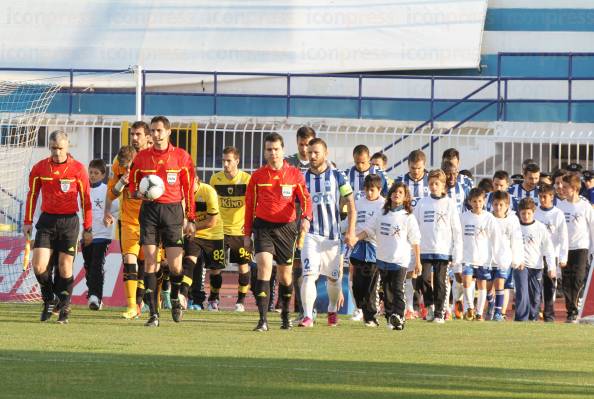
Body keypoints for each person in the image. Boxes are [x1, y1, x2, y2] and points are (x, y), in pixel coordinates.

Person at [128, 116, 196, 327]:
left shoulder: (182, 157)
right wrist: (140, 193)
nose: (156, 135)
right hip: (149, 211)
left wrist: (190, 218)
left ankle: (175, 297)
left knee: (176, 266)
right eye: (153, 131)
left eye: (159, 131)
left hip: (173, 211)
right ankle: (153, 314)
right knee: (150, 261)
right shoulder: (141, 158)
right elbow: (132, 186)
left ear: (168, 132)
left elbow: (189, 190)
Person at [244, 132, 312, 332]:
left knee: (285, 276)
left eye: (276, 149)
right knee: (264, 267)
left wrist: (306, 218)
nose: (273, 153)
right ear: (265, 152)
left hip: (287, 228)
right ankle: (263, 319)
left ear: (283, 150)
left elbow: (306, 199)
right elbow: (249, 206)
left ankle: (285, 314)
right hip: (263, 226)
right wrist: (247, 234)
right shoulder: (257, 176)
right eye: (269, 149)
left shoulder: (294, 174)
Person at [24, 130, 92, 323]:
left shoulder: (78, 169)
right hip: (46, 221)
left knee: (64, 267)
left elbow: (86, 200)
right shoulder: (40, 168)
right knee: (38, 266)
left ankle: (66, 305)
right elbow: (32, 195)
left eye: (60, 148)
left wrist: (88, 228)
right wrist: (27, 221)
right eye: (53, 148)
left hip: (69, 222)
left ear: (67, 147)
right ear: (49, 147)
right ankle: (49, 299)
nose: (57, 152)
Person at [299, 138, 356, 327]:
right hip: (310, 235)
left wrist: (350, 231)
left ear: (326, 153)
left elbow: (351, 204)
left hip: (332, 237)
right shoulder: (301, 178)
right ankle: (308, 316)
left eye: (316, 152)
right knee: (309, 275)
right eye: (310, 153)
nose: (312, 156)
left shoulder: (338, 176)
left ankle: (332, 310)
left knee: (333, 279)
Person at [105, 121, 151, 319]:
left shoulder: (154, 160)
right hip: (129, 220)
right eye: (132, 134)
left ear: (147, 137)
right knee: (130, 261)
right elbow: (112, 193)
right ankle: (132, 306)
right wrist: (122, 182)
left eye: (138, 134)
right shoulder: (120, 163)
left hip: (152, 220)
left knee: (148, 264)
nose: (134, 138)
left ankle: (149, 300)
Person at [359, 182, 421, 330]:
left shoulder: (408, 217)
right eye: (394, 191)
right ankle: (390, 318)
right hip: (382, 259)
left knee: (398, 289)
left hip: (400, 260)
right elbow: (368, 230)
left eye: (400, 192)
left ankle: (399, 317)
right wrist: (355, 238)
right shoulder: (381, 213)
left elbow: (415, 240)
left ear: (405, 197)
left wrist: (418, 261)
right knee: (386, 291)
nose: (396, 194)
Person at [414, 169, 462, 323]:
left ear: (443, 185)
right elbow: (414, 226)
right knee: (424, 278)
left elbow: (456, 230)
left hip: (443, 250)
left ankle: (440, 312)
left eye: (437, 184)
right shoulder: (422, 203)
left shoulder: (450, 204)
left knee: (441, 282)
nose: (433, 187)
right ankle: (429, 307)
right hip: (425, 249)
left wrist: (457, 253)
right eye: (431, 184)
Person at [210, 146, 252, 312]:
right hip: (220, 230)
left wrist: (248, 226)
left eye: (229, 161)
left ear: (237, 161)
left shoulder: (246, 180)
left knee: (243, 267)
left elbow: (252, 205)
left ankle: (240, 302)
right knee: (215, 267)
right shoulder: (215, 179)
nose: (226, 164)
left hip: (239, 231)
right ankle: (214, 299)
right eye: (223, 161)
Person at [459, 188, 506, 321]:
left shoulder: (489, 217)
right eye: (474, 201)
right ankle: (469, 308)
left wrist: (498, 256)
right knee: (466, 282)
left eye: (480, 201)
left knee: (482, 285)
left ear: (484, 201)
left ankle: (479, 313)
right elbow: (458, 237)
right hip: (467, 256)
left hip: (483, 258)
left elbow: (496, 238)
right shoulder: (464, 217)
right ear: (469, 202)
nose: (478, 204)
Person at [180, 178, 225, 312]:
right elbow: (182, 215)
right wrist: (186, 228)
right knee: (190, 262)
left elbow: (212, 222)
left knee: (215, 270)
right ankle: (185, 296)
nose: (186, 186)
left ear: (196, 180)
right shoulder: (182, 193)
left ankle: (214, 298)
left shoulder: (208, 191)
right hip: (195, 233)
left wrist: (192, 227)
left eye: (189, 183)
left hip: (213, 233)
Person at [285, 126, 316, 319]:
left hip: (314, 222)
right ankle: (299, 309)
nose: (305, 149)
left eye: (308, 145)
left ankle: (313, 308)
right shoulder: (288, 163)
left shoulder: (323, 164)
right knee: (295, 266)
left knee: (312, 267)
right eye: (301, 144)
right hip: (290, 220)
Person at [396, 150, 430, 320]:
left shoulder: (431, 181)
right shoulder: (400, 182)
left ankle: (427, 304)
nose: (416, 171)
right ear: (408, 166)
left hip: (428, 233)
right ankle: (410, 306)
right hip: (407, 234)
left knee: (426, 274)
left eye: (419, 168)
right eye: (412, 168)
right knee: (410, 271)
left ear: (424, 165)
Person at [556, 174, 594, 323]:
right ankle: (571, 311)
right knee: (566, 280)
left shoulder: (585, 206)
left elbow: (592, 228)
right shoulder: (560, 206)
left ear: (575, 188)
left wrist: (592, 250)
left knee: (577, 279)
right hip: (565, 249)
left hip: (581, 247)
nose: (562, 189)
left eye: (565, 187)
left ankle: (575, 308)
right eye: (561, 186)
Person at [350, 175, 385, 327]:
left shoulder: (383, 205)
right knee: (357, 285)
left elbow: (373, 226)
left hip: (374, 248)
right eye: (367, 190)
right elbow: (350, 220)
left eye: (372, 190)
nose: (369, 193)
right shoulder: (358, 203)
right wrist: (345, 230)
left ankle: (371, 317)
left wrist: (357, 236)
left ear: (379, 189)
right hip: (358, 248)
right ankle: (361, 308)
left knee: (371, 285)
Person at [83, 159, 118, 311]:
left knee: (97, 264)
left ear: (103, 175)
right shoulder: (83, 190)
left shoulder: (107, 190)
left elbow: (115, 209)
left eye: (96, 173)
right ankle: (92, 294)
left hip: (102, 234)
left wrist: (109, 217)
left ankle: (95, 297)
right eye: (90, 172)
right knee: (88, 265)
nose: (92, 175)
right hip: (86, 235)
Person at [514, 198, 556, 322]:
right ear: (519, 212)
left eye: (529, 213)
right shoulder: (515, 227)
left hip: (537, 266)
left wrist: (551, 267)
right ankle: (521, 319)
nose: (526, 216)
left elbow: (548, 248)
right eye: (523, 213)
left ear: (534, 212)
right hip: (520, 265)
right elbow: (510, 246)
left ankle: (533, 318)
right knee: (522, 292)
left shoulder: (540, 227)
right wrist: (516, 260)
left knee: (535, 296)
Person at [535, 184, 568, 322]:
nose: (543, 199)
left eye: (545, 197)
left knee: (549, 286)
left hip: (552, 254)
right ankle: (535, 312)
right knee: (536, 285)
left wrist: (562, 256)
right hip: (536, 254)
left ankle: (549, 314)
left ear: (551, 197)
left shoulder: (557, 214)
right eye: (541, 196)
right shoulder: (535, 212)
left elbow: (563, 236)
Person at [489, 191, 523, 321]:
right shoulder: (488, 217)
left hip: (504, 259)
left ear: (507, 205)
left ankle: (500, 312)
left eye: (501, 205)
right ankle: (491, 303)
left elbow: (516, 239)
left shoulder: (513, 220)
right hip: (489, 259)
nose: (498, 207)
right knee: (488, 287)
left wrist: (517, 259)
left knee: (502, 285)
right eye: (495, 204)